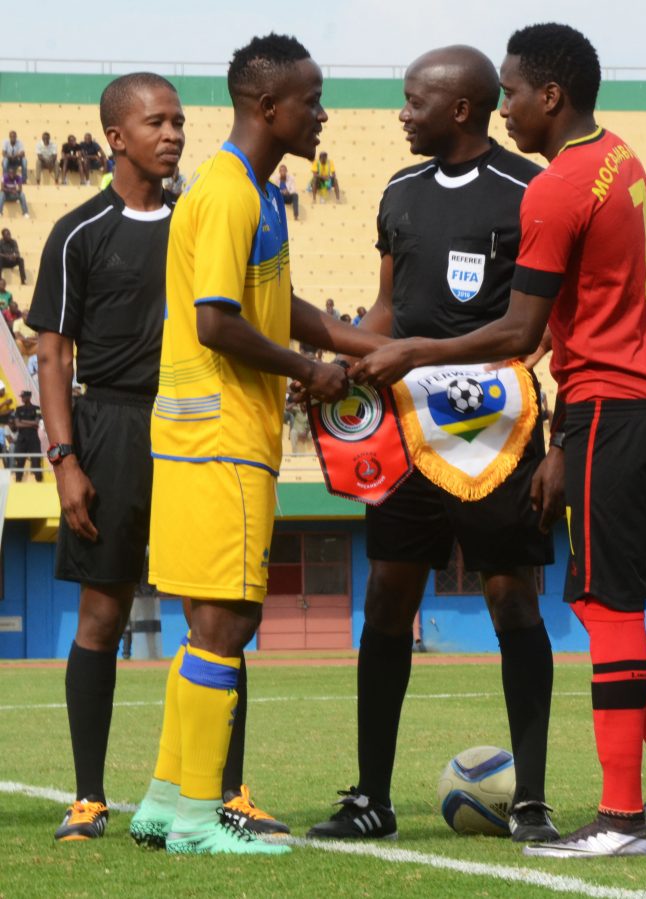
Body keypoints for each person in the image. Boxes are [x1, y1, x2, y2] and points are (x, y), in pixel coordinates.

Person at [352, 23, 646, 859]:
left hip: (608, 406)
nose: (508, 106)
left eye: (513, 92)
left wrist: (414, 350)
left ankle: (621, 820)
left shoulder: (549, 191)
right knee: (610, 601)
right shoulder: (620, 154)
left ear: (548, 96)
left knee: (602, 605)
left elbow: (519, 330)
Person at [130, 32, 385, 857]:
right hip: (220, 436)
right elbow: (216, 319)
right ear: (267, 107)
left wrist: (343, 340)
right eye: (311, 100)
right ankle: (201, 817)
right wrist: (308, 370)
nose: (321, 114)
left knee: (209, 619)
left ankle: (166, 801)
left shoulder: (259, 194)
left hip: (209, 436)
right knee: (229, 621)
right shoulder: (232, 191)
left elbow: (270, 300)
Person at [307, 44, 560, 846]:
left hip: (497, 422)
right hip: (408, 425)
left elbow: (537, 324)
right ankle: (370, 796)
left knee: (509, 596)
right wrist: (343, 363)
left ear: (460, 109)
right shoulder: (399, 191)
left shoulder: (530, 191)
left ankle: (530, 797)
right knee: (387, 595)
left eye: (414, 101)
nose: (402, 114)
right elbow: (387, 307)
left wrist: (414, 352)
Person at [31, 72, 290, 846]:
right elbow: (53, 354)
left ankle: (225, 793)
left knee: (215, 615)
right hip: (108, 428)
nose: (173, 133)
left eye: (180, 120)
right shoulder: (78, 232)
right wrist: (65, 458)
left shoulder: (202, 214)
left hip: (196, 423)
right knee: (102, 614)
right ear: (116, 136)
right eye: (156, 122)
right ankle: (87, 797)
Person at [12, 389, 42, 481]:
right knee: (20, 461)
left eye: (24, 396)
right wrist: (31, 423)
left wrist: (23, 421)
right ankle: (18, 481)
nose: (22, 398)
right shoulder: (18, 409)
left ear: (29, 397)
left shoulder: (37, 409)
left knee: (36, 461)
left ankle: (39, 482)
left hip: (33, 438)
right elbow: (17, 424)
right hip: (22, 439)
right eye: (22, 397)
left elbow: (37, 423)